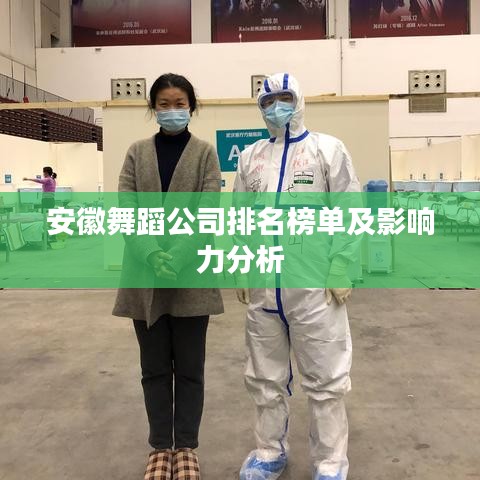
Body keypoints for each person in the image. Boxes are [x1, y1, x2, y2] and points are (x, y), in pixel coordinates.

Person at [234, 73, 361, 480]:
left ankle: (330, 463)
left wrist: (341, 263)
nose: (276, 107)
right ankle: (269, 452)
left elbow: (349, 207)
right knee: (264, 377)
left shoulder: (327, 150)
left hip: (314, 289)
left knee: (326, 379)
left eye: (284, 97)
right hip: (263, 290)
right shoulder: (250, 157)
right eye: (267, 101)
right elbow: (240, 214)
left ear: (300, 100)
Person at [112, 73, 224, 480]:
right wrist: (152, 254)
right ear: (153, 108)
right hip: (145, 275)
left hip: (190, 275)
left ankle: (187, 447)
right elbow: (125, 208)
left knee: (191, 369)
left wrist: (175, 256)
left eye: (179, 103)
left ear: (191, 107)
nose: (172, 110)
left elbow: (208, 211)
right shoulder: (137, 153)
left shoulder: (205, 154)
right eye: (164, 104)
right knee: (154, 369)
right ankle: (161, 447)